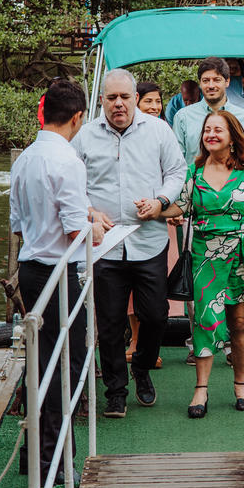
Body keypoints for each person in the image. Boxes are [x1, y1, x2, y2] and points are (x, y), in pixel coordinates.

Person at [73, 69, 187, 418]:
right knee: (108, 322)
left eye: (124, 97)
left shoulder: (158, 131)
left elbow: (178, 172)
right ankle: (115, 391)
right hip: (105, 243)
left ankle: (141, 365)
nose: (118, 104)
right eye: (111, 98)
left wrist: (161, 201)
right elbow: (71, 183)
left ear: (135, 98)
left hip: (147, 238)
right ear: (102, 100)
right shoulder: (86, 136)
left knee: (156, 315)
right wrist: (89, 211)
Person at [9, 78, 104, 482]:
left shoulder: (24, 158)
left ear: (42, 113)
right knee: (66, 365)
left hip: (30, 267)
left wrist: (87, 214)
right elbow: (74, 232)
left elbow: (17, 223)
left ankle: (36, 454)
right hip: (57, 271)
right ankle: (54, 463)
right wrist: (96, 230)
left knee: (42, 362)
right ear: (78, 118)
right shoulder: (67, 161)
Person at [161, 110, 244, 418]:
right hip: (205, 254)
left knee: (240, 321)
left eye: (218, 130)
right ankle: (201, 389)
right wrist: (153, 209)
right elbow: (181, 205)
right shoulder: (195, 170)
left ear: (232, 136)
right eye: (207, 130)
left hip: (243, 252)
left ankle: (241, 383)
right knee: (205, 320)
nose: (211, 135)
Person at [173, 57, 244, 165]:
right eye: (206, 80)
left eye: (216, 80)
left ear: (227, 81)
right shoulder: (183, 117)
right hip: (195, 181)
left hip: (235, 181)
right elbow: (176, 164)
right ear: (200, 83)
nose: (211, 86)